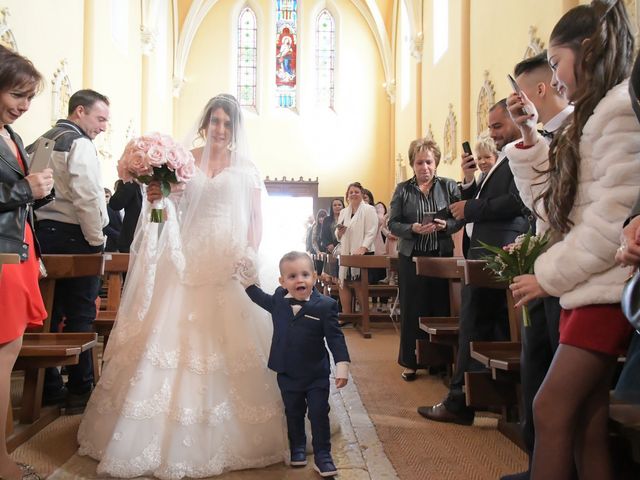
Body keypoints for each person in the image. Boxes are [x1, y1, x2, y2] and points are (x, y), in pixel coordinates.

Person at [77, 94, 292, 478]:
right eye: (215, 122)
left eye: (228, 123)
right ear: (205, 123)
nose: (221, 130)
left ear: (235, 127)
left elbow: (256, 219)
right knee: (169, 330)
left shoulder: (247, 168)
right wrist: (156, 196)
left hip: (228, 256)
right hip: (186, 257)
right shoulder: (184, 162)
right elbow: (166, 214)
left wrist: (249, 251)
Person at [505, 2, 639, 478]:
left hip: (603, 289)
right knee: (585, 422)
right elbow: (554, 205)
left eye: (557, 63)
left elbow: (610, 225)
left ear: (588, 51)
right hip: (589, 287)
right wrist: (527, 139)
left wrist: (548, 276)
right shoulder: (593, 113)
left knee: (550, 408)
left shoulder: (617, 111)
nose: (556, 78)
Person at [419, 100, 529, 424]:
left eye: (498, 126)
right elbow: (487, 196)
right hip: (486, 253)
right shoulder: (506, 159)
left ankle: (459, 402)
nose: (492, 134)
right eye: (491, 127)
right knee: (485, 327)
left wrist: (471, 209)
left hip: (497, 253)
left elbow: (518, 201)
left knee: (474, 326)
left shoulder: (522, 155)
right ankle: (481, 396)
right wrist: (469, 187)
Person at [502, 51, 573, 480]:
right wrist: (528, 131)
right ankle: (537, 465)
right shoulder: (551, 135)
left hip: (563, 274)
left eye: (520, 94)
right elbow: (543, 203)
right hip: (547, 266)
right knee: (536, 369)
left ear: (538, 90)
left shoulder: (581, 131)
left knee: (552, 386)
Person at [35, 89, 110, 413]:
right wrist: (96, 241)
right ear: (80, 111)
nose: (103, 126)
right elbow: (89, 196)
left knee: (47, 312)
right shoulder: (79, 143)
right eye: (100, 118)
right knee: (80, 313)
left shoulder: (43, 140)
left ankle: (47, 387)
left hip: (43, 235)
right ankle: (80, 389)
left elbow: (33, 189)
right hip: (75, 235)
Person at [244, 251, 350, 478]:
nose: (299, 280)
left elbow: (335, 338)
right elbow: (258, 297)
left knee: (319, 412)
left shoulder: (326, 306)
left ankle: (323, 455)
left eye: (304, 274)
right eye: (292, 276)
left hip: (316, 373)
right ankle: (298, 447)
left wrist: (342, 365)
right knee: (293, 411)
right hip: (287, 371)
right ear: (282, 281)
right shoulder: (278, 302)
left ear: (313, 276)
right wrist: (246, 280)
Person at [0, 45, 51, 480]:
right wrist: (24, 191)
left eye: (29, 97)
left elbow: (22, 196)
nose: (24, 106)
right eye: (17, 94)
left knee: (8, 354)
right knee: (1, 359)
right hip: (0, 258)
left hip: (17, 253)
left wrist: (40, 191)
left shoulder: (11, 136)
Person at [388, 139, 463, 381]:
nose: (425, 167)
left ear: (436, 162)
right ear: (412, 164)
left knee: (440, 307)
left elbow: (460, 218)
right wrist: (413, 228)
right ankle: (411, 362)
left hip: (440, 255)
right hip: (411, 257)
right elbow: (392, 223)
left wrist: (446, 225)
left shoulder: (449, 186)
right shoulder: (402, 189)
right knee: (412, 309)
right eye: (419, 162)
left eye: (429, 162)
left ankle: (439, 362)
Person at [335, 182, 378, 316]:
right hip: (346, 252)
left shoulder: (369, 209)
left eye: (356, 192)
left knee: (359, 284)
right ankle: (347, 315)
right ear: (347, 196)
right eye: (351, 192)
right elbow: (337, 234)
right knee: (343, 283)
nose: (353, 194)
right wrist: (339, 233)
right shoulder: (343, 212)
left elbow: (372, 231)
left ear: (362, 194)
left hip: (363, 253)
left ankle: (365, 317)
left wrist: (363, 247)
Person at [108, 179, 142, 253]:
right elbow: (115, 204)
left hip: (158, 238)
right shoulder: (130, 182)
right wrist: (129, 179)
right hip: (131, 240)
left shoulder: (164, 181)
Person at [103, 187, 122, 252]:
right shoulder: (104, 210)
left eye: (107, 196)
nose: (105, 199)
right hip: (112, 244)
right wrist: (119, 236)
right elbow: (105, 226)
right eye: (103, 197)